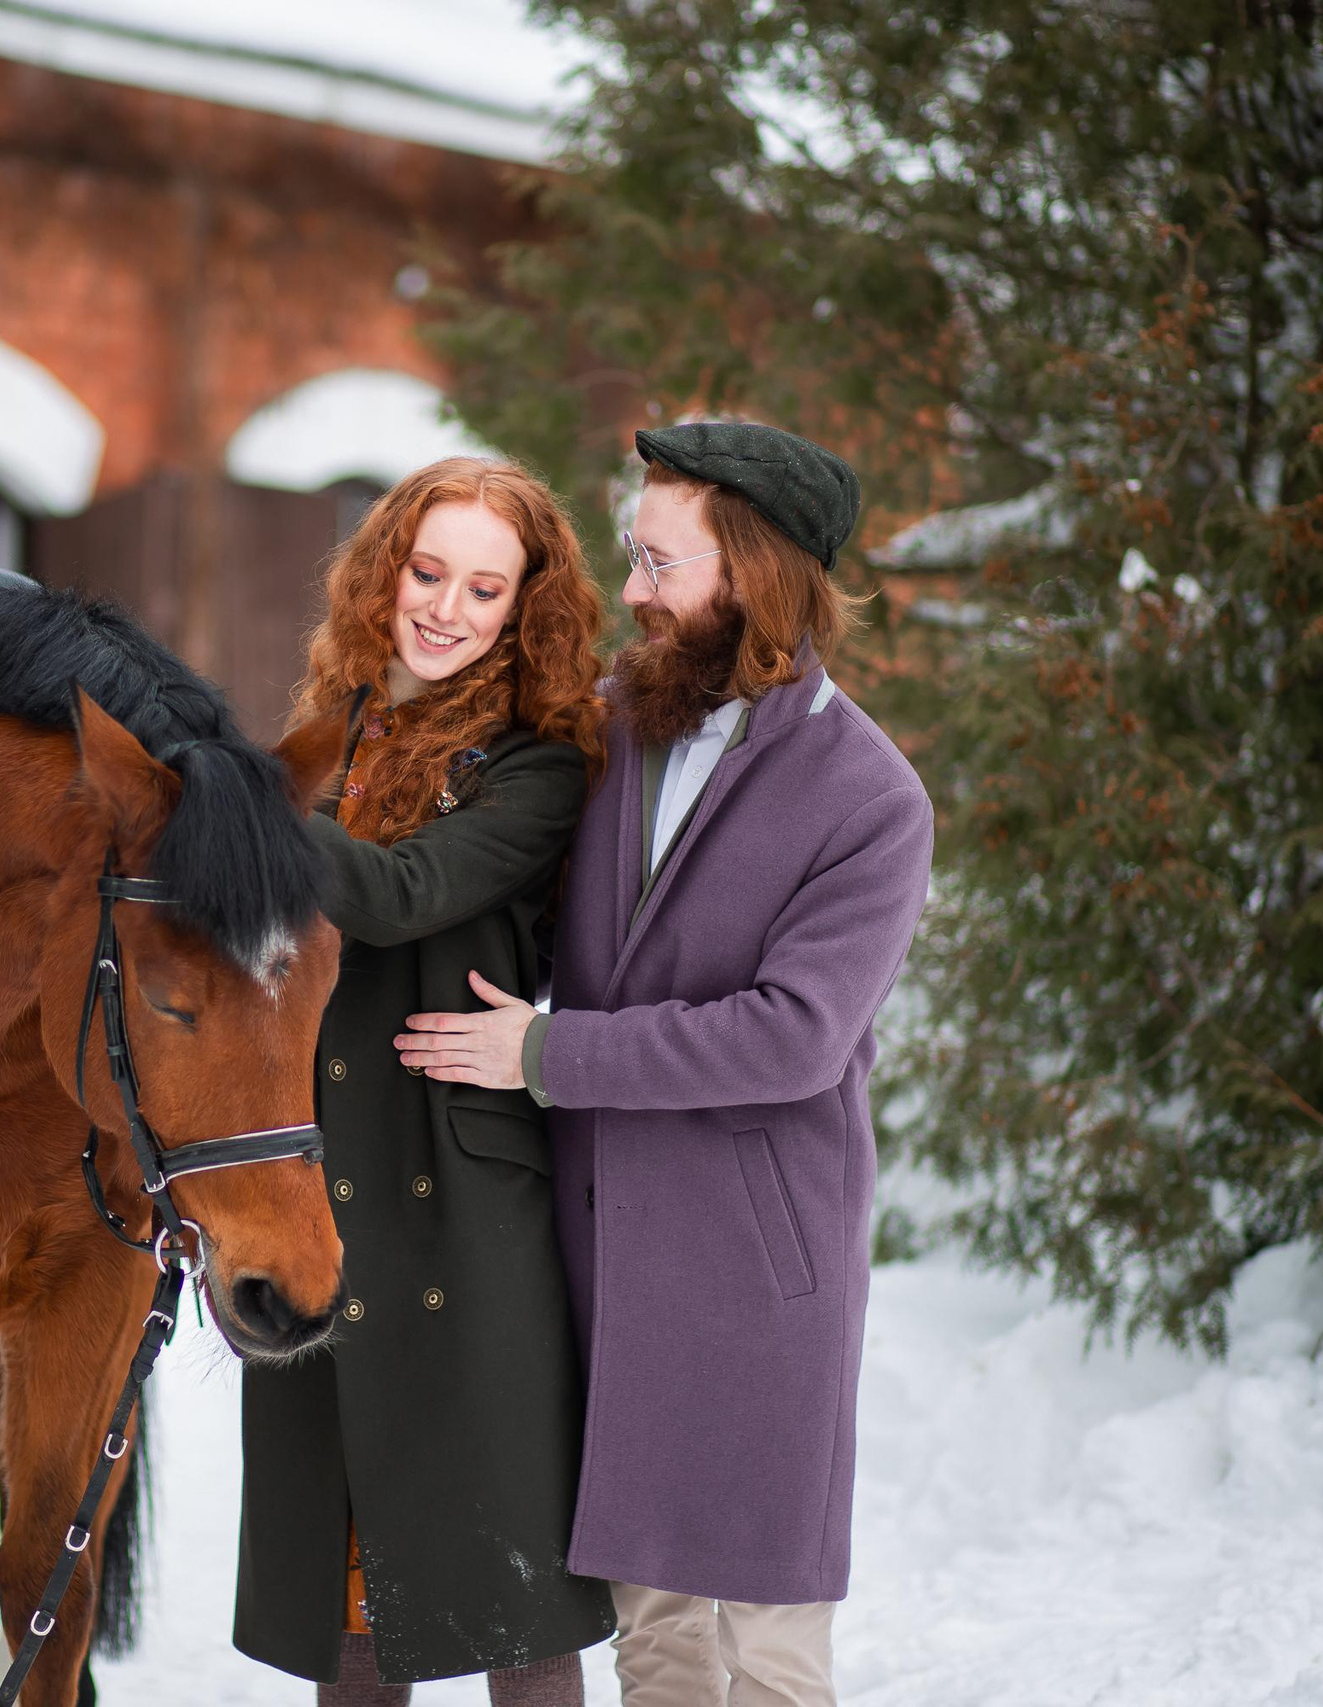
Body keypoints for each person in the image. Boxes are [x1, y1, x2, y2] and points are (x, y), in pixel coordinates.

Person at [396, 422, 935, 1707]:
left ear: (749, 575)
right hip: (599, 1259)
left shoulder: (870, 801)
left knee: (766, 1650)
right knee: (654, 1639)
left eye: (658, 562)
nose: (630, 589)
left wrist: (547, 1053)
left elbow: (791, 1036)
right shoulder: (614, 732)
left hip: (755, 1275)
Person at [235, 457, 617, 1706]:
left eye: (484, 587)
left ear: (525, 609)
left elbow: (401, 898)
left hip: (460, 1196)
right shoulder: (328, 727)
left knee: (508, 1587)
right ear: (384, 570)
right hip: (322, 1175)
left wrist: (239, 803)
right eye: (428, 571)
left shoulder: (537, 766)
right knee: (352, 1579)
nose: (445, 607)